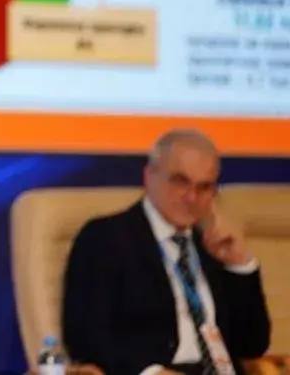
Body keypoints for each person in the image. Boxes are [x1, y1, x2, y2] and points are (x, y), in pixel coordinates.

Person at [62, 129, 271, 375]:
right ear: (149, 176)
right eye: (180, 182)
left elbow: (252, 345)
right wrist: (149, 372)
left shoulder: (212, 243)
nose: (191, 197)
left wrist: (239, 264)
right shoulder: (106, 238)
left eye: (204, 187)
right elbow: (86, 338)